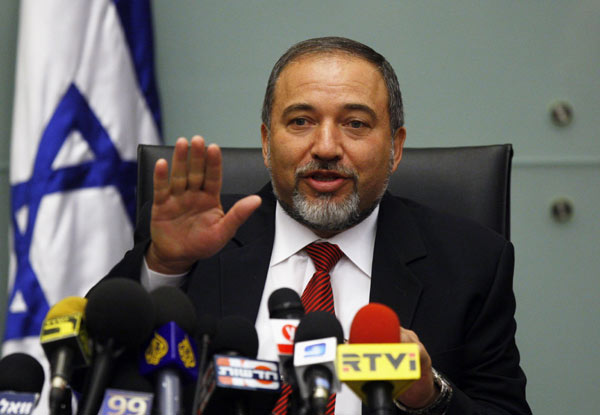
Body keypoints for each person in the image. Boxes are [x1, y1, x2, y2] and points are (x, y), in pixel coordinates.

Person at [106, 37, 530, 414]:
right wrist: (166, 265)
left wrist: (430, 397)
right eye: (301, 121)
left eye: (356, 124)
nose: (326, 147)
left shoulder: (471, 263)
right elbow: (91, 373)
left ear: (395, 149)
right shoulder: (196, 241)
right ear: (267, 144)